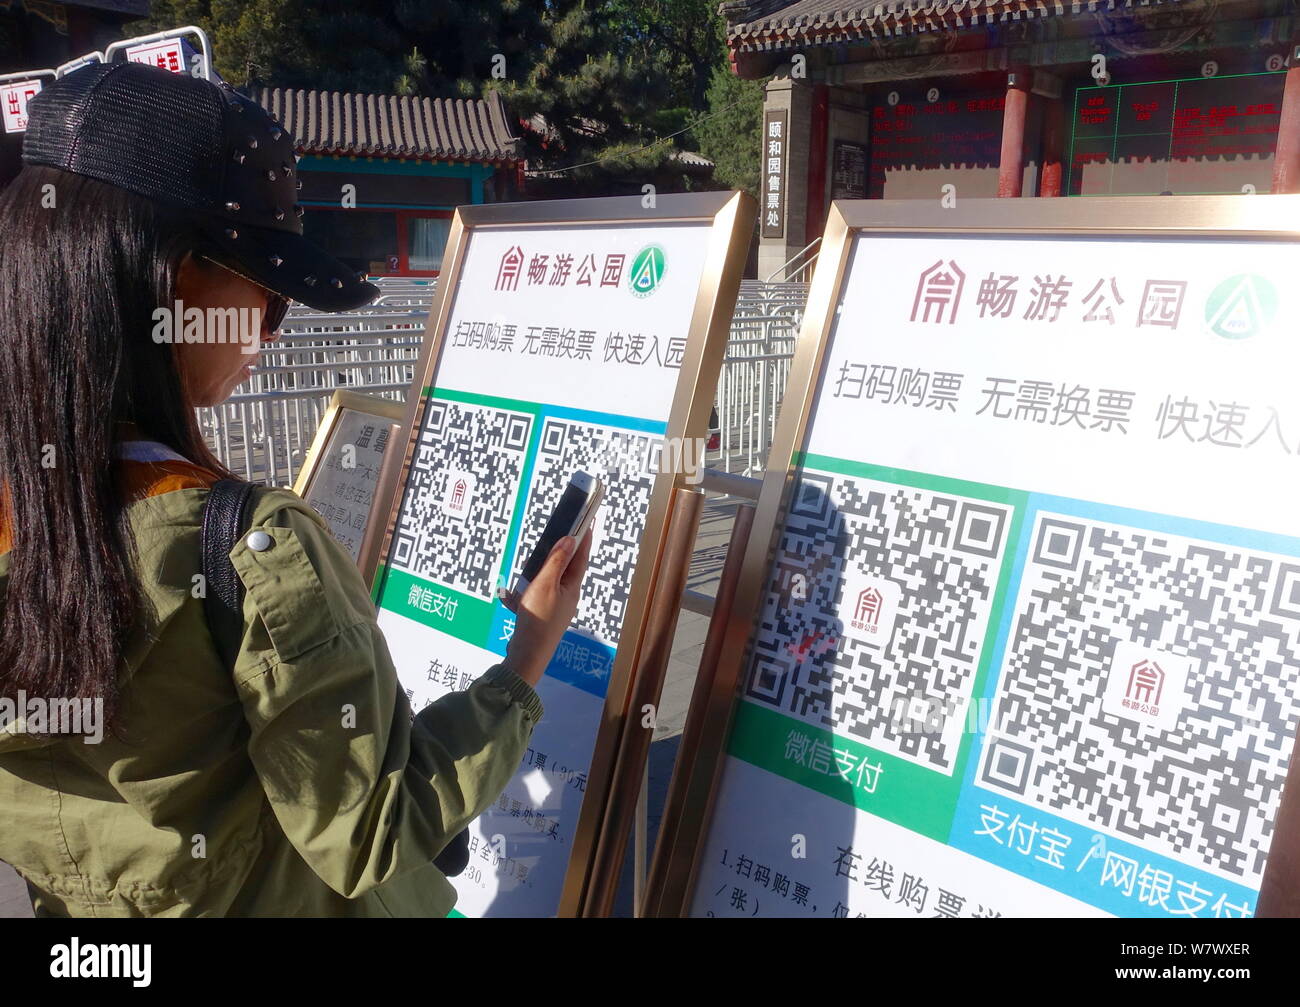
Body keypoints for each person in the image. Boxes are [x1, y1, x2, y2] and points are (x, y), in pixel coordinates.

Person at [0, 61, 589, 917]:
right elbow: (370, 829)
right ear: (172, 279)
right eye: (266, 295)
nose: (270, 334)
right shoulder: (248, 549)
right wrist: (525, 660)